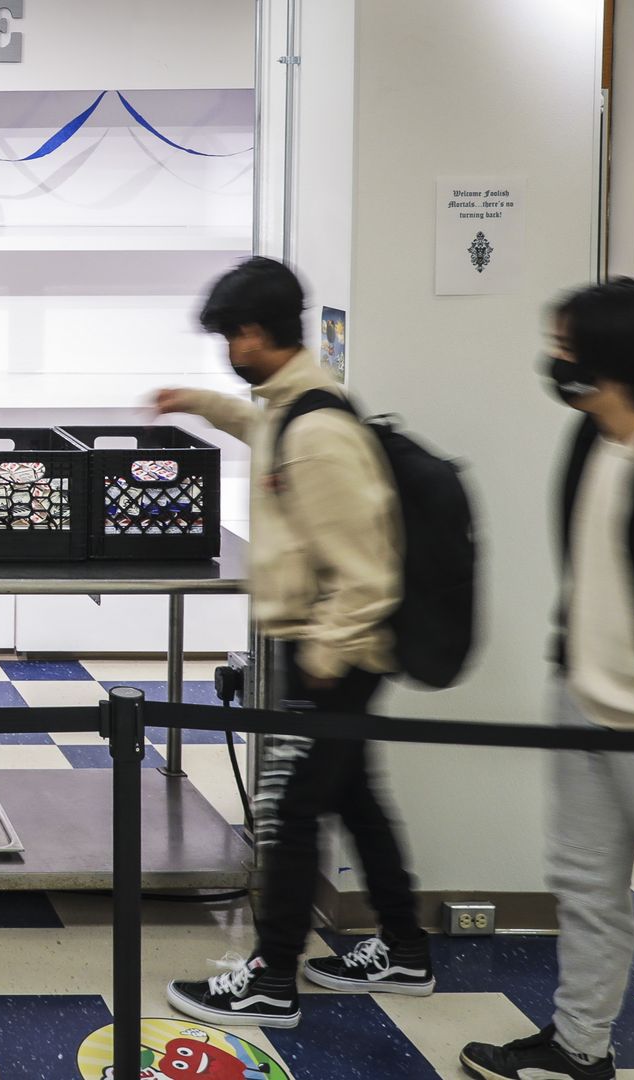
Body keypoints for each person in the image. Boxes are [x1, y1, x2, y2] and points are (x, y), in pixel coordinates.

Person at [155, 257, 430, 1029]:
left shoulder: (315, 432)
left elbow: (369, 575)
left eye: (226, 338)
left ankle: (272, 981)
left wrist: (321, 661)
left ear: (252, 334)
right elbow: (259, 428)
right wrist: (199, 404)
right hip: (335, 661)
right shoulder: (297, 406)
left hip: (332, 662)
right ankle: (406, 949)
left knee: (286, 813)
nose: (224, 351)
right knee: (357, 801)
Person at [459, 278, 634, 1080]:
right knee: (584, 888)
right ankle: (581, 1045)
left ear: (612, 358)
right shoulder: (589, 437)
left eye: (567, 346)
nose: (553, 359)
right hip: (580, 705)